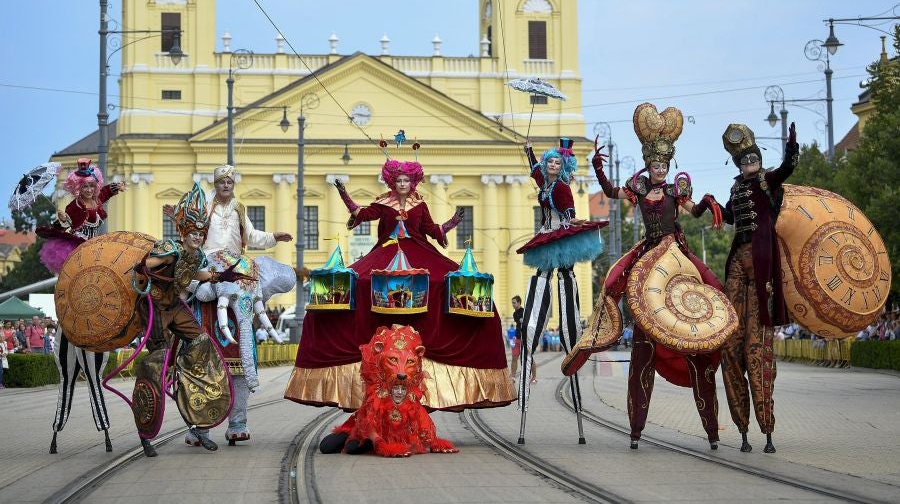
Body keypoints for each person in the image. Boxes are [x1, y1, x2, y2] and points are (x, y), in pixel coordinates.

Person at [284, 141, 515, 412]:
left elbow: (431, 229)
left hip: (420, 249)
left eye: (407, 180)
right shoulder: (383, 203)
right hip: (385, 250)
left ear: (413, 181)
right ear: (393, 181)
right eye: (399, 180)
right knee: (358, 281)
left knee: (445, 280)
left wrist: (453, 221)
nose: (403, 184)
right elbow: (361, 214)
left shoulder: (420, 204)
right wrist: (345, 194)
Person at [575, 103, 726, 450]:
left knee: (714, 287)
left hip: (676, 253)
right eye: (655, 166)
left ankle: (713, 425)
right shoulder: (639, 190)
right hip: (648, 254)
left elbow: (696, 212)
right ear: (648, 166)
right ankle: (600, 338)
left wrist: (707, 202)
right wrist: (597, 167)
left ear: (669, 166)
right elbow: (611, 192)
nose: (659, 170)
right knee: (613, 282)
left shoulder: (676, 191)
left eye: (664, 166)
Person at [131, 183, 242, 457]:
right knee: (158, 360)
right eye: (192, 232)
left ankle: (199, 424)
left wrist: (222, 276)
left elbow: (199, 275)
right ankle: (146, 431)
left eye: (200, 233)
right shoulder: (169, 247)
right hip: (154, 306)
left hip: (175, 305)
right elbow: (148, 265)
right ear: (184, 232)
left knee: (203, 343)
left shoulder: (199, 255)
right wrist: (146, 265)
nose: (197, 237)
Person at [186, 164, 294, 447]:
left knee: (241, 364)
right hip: (208, 272)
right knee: (190, 302)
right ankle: (199, 425)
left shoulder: (239, 209)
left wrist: (274, 237)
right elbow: (190, 233)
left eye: (229, 182)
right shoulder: (203, 206)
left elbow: (254, 236)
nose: (226, 186)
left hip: (238, 274)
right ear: (216, 184)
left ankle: (238, 422)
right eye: (222, 181)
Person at [711, 122, 799, 454]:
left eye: (751, 160)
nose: (747, 165)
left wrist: (791, 147)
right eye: (742, 162)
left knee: (756, 350)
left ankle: (767, 428)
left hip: (761, 264)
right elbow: (730, 216)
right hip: (737, 262)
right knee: (729, 347)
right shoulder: (736, 188)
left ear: (758, 160)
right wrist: (707, 203)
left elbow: (787, 168)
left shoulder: (767, 181)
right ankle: (742, 427)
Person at [516, 137, 607, 444]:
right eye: (548, 162)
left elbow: (568, 210)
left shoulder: (563, 187)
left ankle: (574, 336)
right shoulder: (544, 180)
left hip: (560, 234)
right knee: (542, 277)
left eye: (556, 162)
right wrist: (528, 149)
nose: (551, 166)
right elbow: (534, 170)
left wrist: (568, 221)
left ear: (562, 165)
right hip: (546, 234)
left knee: (565, 276)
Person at [38, 159, 125, 455]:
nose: (89, 189)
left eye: (92, 184)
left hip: (95, 261)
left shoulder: (96, 199)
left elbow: (104, 197)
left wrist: (115, 187)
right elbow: (67, 228)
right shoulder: (74, 208)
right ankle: (58, 427)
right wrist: (63, 222)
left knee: (94, 375)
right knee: (68, 376)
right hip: (77, 257)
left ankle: (104, 427)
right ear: (76, 186)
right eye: (84, 185)